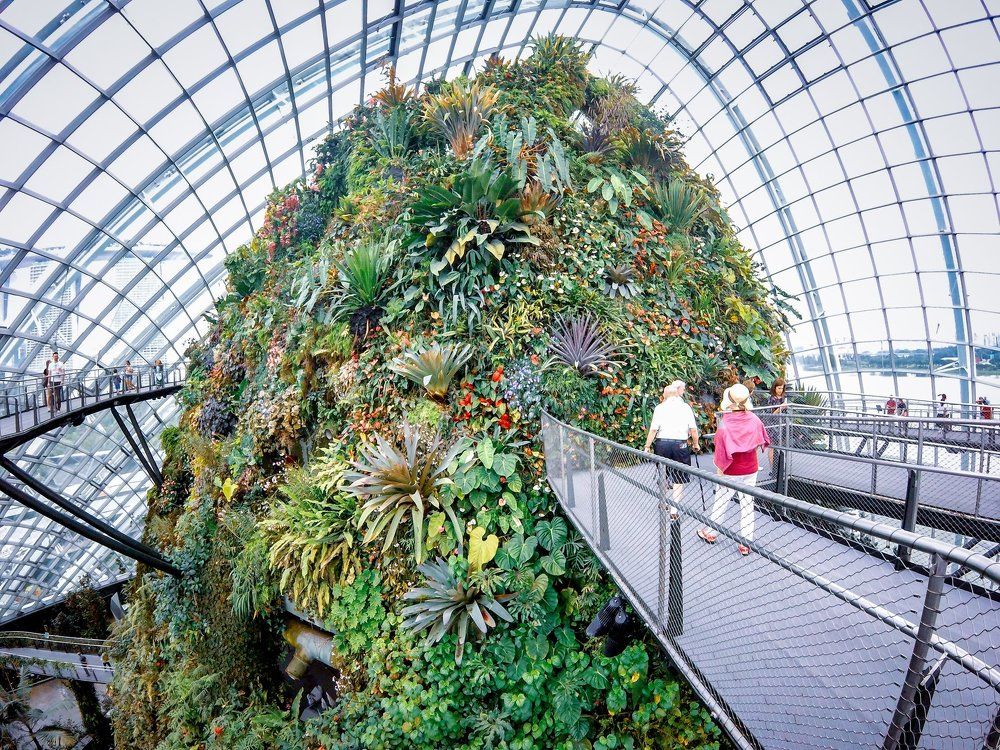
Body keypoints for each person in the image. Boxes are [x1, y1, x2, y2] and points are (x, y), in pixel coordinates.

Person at [698, 384, 770, 556]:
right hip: (750, 468)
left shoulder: (725, 424)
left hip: (730, 471)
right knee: (748, 505)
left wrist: (720, 475)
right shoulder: (754, 419)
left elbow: (721, 453)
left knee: (721, 502)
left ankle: (711, 532)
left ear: (728, 400)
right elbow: (761, 440)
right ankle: (745, 543)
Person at [643, 380, 701, 519]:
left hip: (662, 444)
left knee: (663, 474)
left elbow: (653, 430)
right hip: (680, 445)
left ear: (665, 395)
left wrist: (647, 446)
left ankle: (662, 502)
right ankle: (674, 511)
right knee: (678, 478)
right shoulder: (686, 408)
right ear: (676, 394)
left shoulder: (660, 408)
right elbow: (693, 429)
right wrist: (696, 444)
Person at [761, 378, 787, 466]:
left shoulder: (783, 398)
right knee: (772, 447)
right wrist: (780, 408)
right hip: (772, 426)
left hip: (781, 425)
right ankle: (773, 468)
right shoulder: (771, 399)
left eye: (782, 388)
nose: (780, 390)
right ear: (774, 388)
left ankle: (779, 468)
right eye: (779, 388)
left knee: (779, 447)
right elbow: (770, 414)